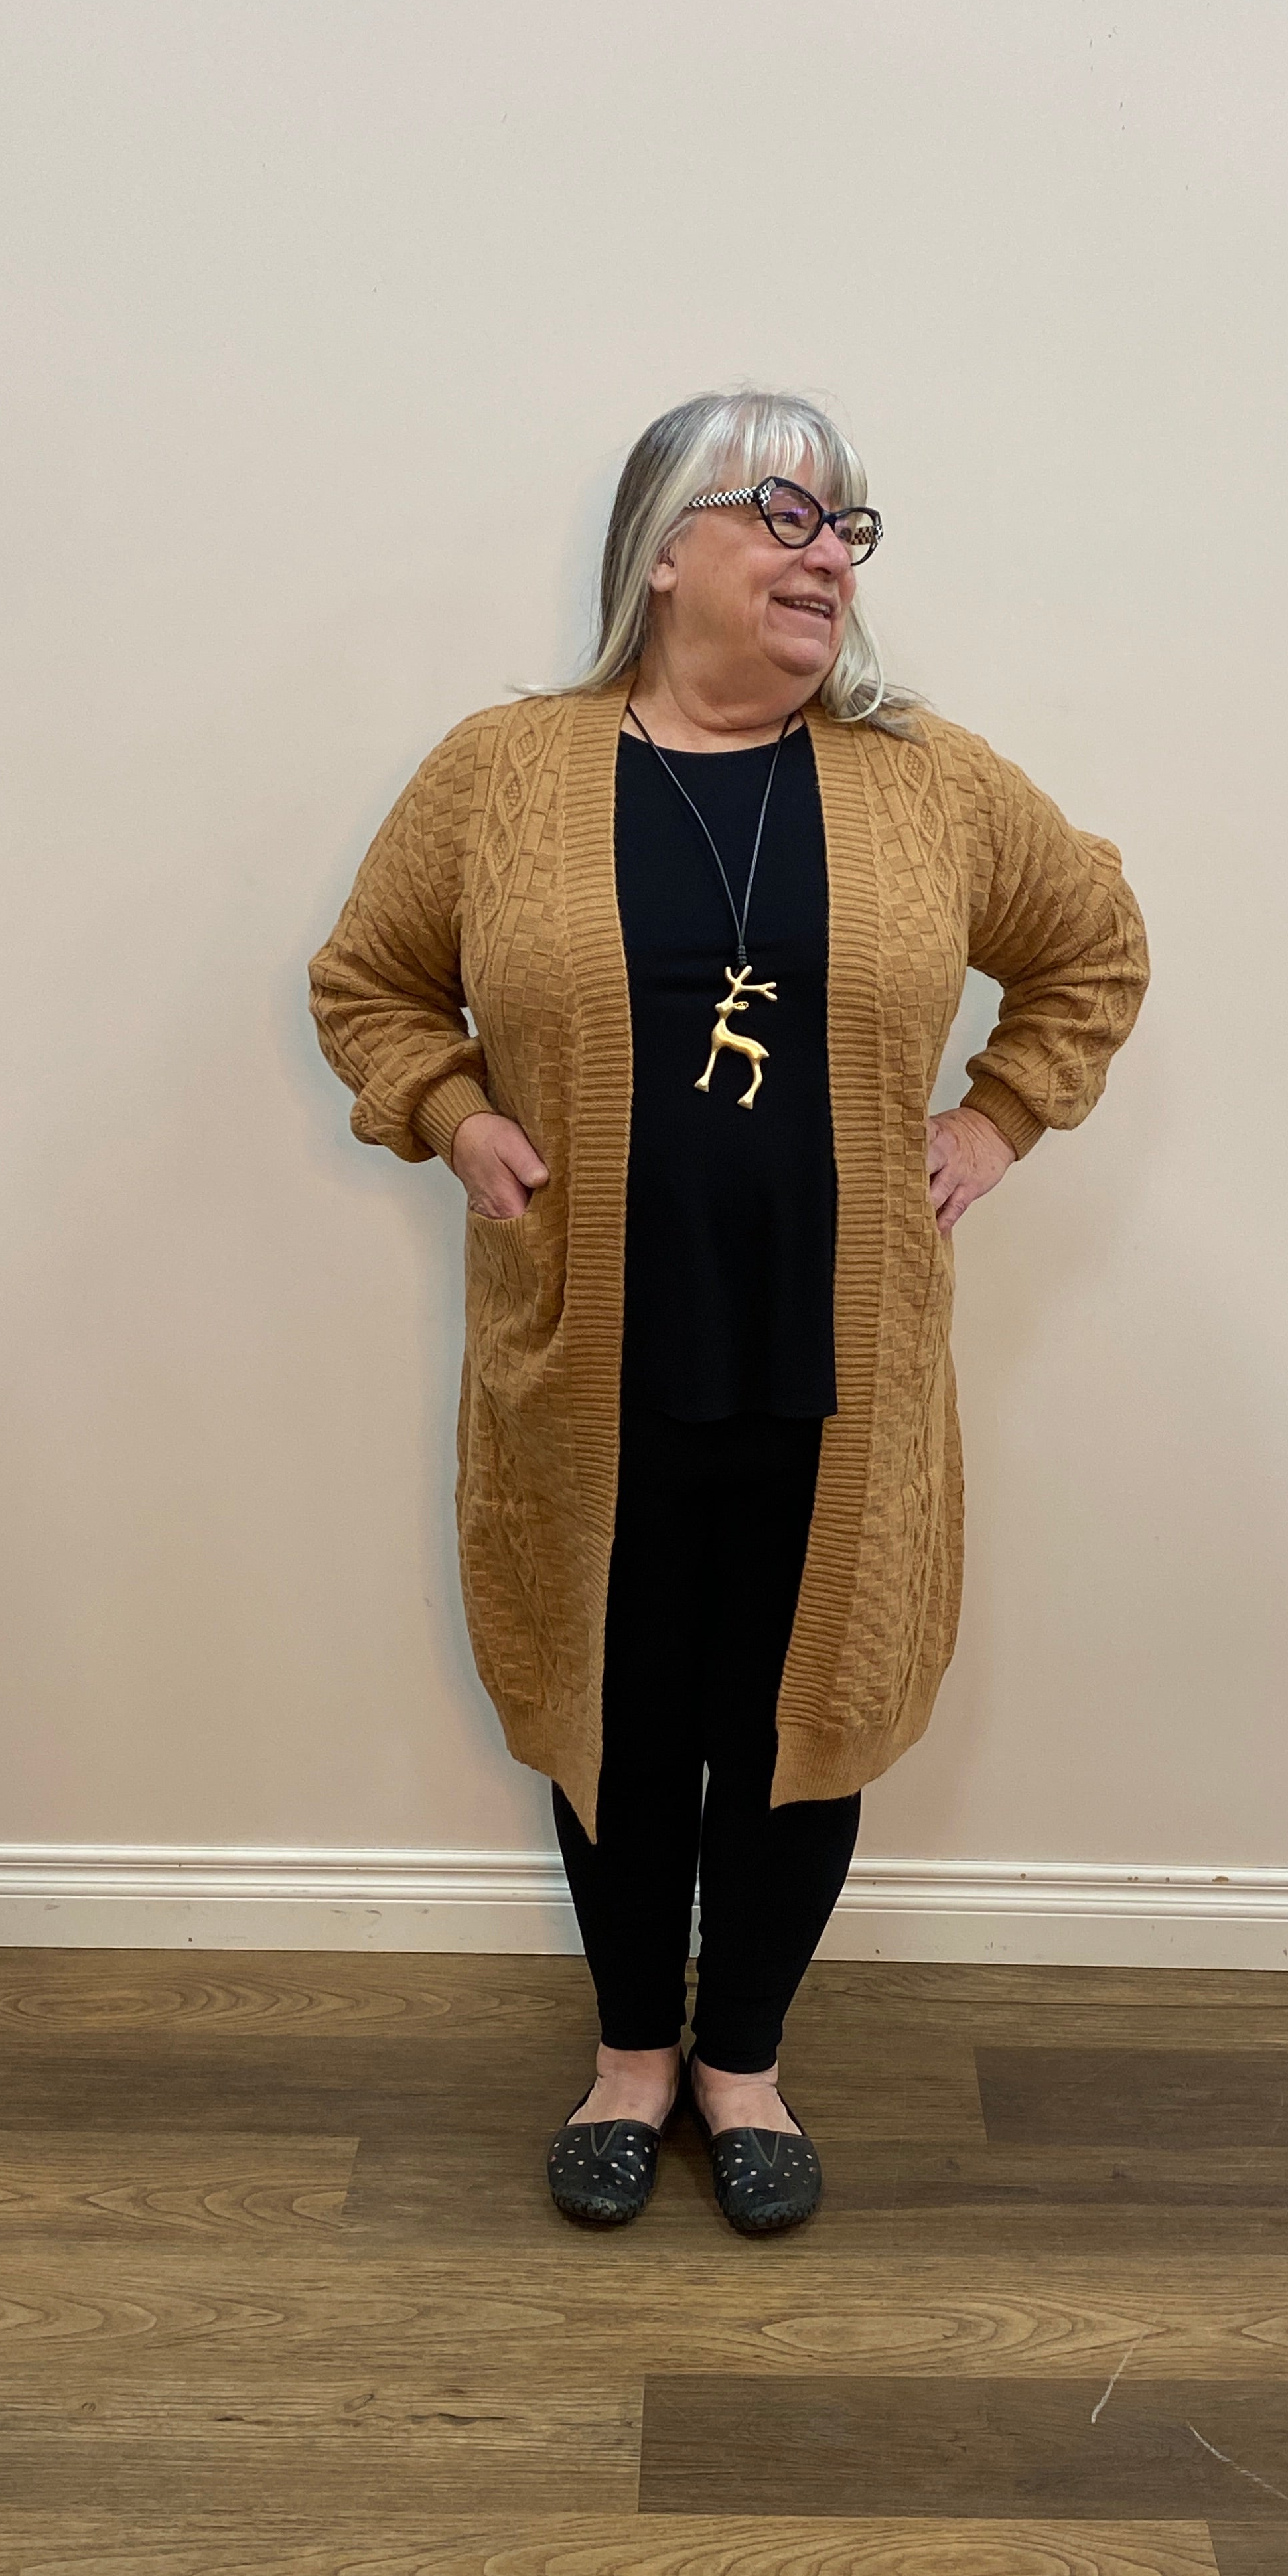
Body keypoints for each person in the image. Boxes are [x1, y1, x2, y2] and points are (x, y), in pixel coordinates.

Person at [307, 389, 1150, 2234]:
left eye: (849, 526)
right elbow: (370, 984)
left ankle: (742, 2061)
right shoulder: (502, 773)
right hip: (591, 1356)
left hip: (839, 1367)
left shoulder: (925, 782)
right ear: (664, 546)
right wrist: (453, 1114)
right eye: (786, 513)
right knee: (619, 1711)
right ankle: (630, 2057)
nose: (828, 553)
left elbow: (1091, 942)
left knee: (798, 1716)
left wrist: (1000, 1116)